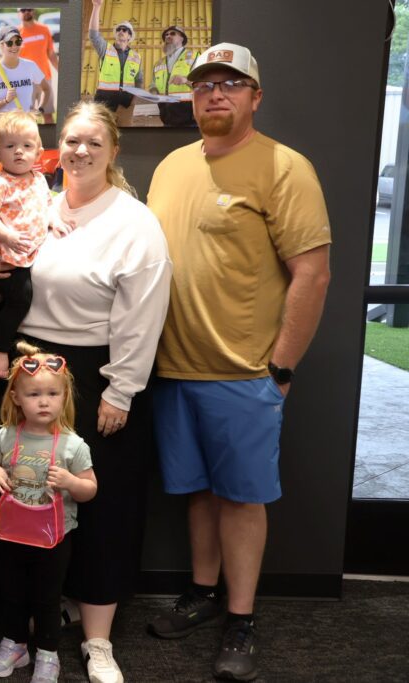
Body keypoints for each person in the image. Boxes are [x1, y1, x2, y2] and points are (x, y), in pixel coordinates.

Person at [145, 44, 332, 682]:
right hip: (173, 369)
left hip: (246, 373)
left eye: (231, 84)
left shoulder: (284, 167)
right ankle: (202, 592)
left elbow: (313, 274)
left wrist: (280, 368)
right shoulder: (170, 166)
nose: (215, 94)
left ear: (256, 95)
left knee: (242, 499)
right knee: (196, 493)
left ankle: (241, 618)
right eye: (204, 85)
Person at [0, 101, 172, 683]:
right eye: (71, 141)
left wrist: (122, 391)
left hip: (98, 377)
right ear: (56, 151)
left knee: (101, 505)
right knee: (28, 493)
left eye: (93, 142)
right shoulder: (36, 204)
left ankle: (97, 639)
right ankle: (33, 622)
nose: (80, 151)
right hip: (28, 372)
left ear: (113, 150)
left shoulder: (134, 223)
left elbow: (143, 316)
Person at [0, 341, 98, 683]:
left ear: (64, 397)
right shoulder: (7, 436)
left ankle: (48, 654)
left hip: (53, 539)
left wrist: (71, 482)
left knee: (48, 598)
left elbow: (91, 489)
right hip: (12, 533)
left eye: (52, 393)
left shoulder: (73, 445)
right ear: (16, 397)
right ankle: (15, 644)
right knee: (12, 592)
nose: (44, 401)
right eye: (34, 394)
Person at [0, 111, 64, 379]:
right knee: (20, 299)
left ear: (38, 152)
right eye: (10, 146)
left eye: (27, 146)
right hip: (8, 255)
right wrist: (6, 236)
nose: (19, 152)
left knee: (11, 300)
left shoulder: (38, 179)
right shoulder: (0, 183)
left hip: (27, 254)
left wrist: (54, 222)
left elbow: (45, 205)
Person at [88, 0, 143, 126]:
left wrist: (133, 101)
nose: (121, 31)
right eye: (119, 29)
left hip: (126, 105)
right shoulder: (105, 49)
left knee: (126, 136)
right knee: (102, 134)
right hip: (104, 103)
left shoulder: (136, 57)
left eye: (125, 30)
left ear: (129, 36)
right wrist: (96, 7)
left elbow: (139, 80)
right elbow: (93, 35)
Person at [0, 25, 51, 119]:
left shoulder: (30, 66)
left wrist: (40, 109)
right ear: (2, 45)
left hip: (26, 123)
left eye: (18, 42)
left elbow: (46, 89)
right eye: (10, 43)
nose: (14, 46)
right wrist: (5, 101)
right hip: (4, 124)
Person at [148, 26, 199, 127]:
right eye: (166, 35)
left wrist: (185, 80)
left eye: (173, 34)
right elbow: (153, 84)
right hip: (166, 117)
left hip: (188, 118)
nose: (168, 36)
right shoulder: (158, 63)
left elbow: (204, 84)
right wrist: (153, 90)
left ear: (182, 38)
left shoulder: (194, 57)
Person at [17, 7, 59, 124]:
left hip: (44, 77)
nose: (26, 12)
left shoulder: (44, 29)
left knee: (48, 115)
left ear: (33, 11)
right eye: (23, 10)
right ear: (18, 13)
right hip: (25, 81)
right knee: (28, 118)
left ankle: (49, 142)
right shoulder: (16, 33)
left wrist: (61, 71)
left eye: (29, 9)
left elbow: (51, 54)